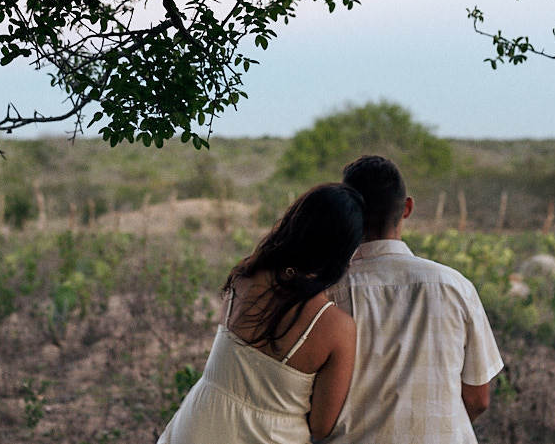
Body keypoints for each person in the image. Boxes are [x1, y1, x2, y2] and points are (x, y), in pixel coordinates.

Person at [157, 183, 364, 444]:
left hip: (194, 428)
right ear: (343, 250)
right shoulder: (334, 325)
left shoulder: (247, 275)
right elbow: (321, 427)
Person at [326, 155, 503, 443]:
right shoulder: (455, 287)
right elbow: (478, 399)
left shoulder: (325, 294)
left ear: (348, 212)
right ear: (407, 208)